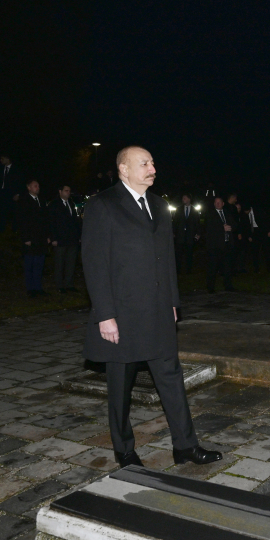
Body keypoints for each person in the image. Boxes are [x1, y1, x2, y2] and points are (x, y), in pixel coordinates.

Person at [83, 145, 221, 468]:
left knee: (172, 379)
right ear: (123, 170)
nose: (152, 167)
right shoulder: (102, 205)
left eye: (153, 162)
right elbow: (94, 263)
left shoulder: (159, 206)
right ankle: (124, 450)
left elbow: (167, 260)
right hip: (122, 314)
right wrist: (104, 314)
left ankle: (185, 446)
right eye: (143, 163)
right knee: (120, 388)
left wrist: (173, 302)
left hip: (158, 311)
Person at [18, 179, 49, 297]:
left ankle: (38, 287)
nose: (37, 188)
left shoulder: (41, 200)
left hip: (41, 238)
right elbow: (22, 221)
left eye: (38, 186)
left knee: (39, 264)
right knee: (30, 264)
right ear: (29, 187)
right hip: (31, 238)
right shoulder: (24, 200)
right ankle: (31, 289)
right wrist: (26, 238)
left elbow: (46, 219)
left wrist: (48, 236)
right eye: (35, 186)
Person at [49, 183, 82, 294]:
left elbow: (76, 222)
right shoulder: (54, 204)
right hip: (60, 239)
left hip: (72, 239)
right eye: (66, 190)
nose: (68, 193)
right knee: (59, 263)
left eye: (69, 191)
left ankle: (69, 284)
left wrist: (78, 236)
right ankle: (59, 285)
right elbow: (51, 222)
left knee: (71, 263)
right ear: (60, 191)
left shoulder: (71, 203)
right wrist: (53, 238)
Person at [205, 196, 236, 293]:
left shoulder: (227, 213)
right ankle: (210, 287)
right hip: (215, 246)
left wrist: (230, 227)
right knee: (213, 267)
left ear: (223, 203)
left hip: (226, 244)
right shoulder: (210, 214)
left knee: (227, 266)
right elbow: (208, 228)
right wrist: (222, 228)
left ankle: (228, 285)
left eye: (219, 202)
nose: (217, 204)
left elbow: (234, 224)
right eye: (216, 202)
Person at [0, 156, 24, 232]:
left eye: (2, 158)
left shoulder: (16, 169)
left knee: (14, 212)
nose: (1, 160)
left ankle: (14, 229)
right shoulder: (0, 169)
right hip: (2, 193)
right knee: (1, 211)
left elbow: (20, 182)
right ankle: (1, 229)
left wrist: (18, 194)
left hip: (12, 194)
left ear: (8, 159)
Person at [173, 193, 200, 274]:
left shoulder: (194, 210)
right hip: (180, 235)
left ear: (189, 199)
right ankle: (178, 270)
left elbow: (197, 223)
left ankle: (189, 270)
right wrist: (174, 232)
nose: (183, 199)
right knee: (179, 254)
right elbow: (175, 222)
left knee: (189, 254)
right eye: (182, 198)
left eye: (184, 198)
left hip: (190, 235)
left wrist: (198, 233)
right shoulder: (179, 209)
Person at [246, 204, 270, 273]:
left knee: (266, 250)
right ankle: (256, 268)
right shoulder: (245, 214)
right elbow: (245, 226)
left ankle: (269, 268)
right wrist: (249, 236)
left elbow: (266, 220)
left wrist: (269, 230)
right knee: (255, 251)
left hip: (262, 231)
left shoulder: (258, 210)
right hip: (254, 233)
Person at [234, 202, 250, 274]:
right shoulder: (232, 215)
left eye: (239, 208)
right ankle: (235, 268)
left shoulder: (243, 216)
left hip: (243, 238)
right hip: (235, 238)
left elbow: (247, 226)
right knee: (235, 253)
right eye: (237, 208)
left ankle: (241, 267)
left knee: (243, 253)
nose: (238, 209)